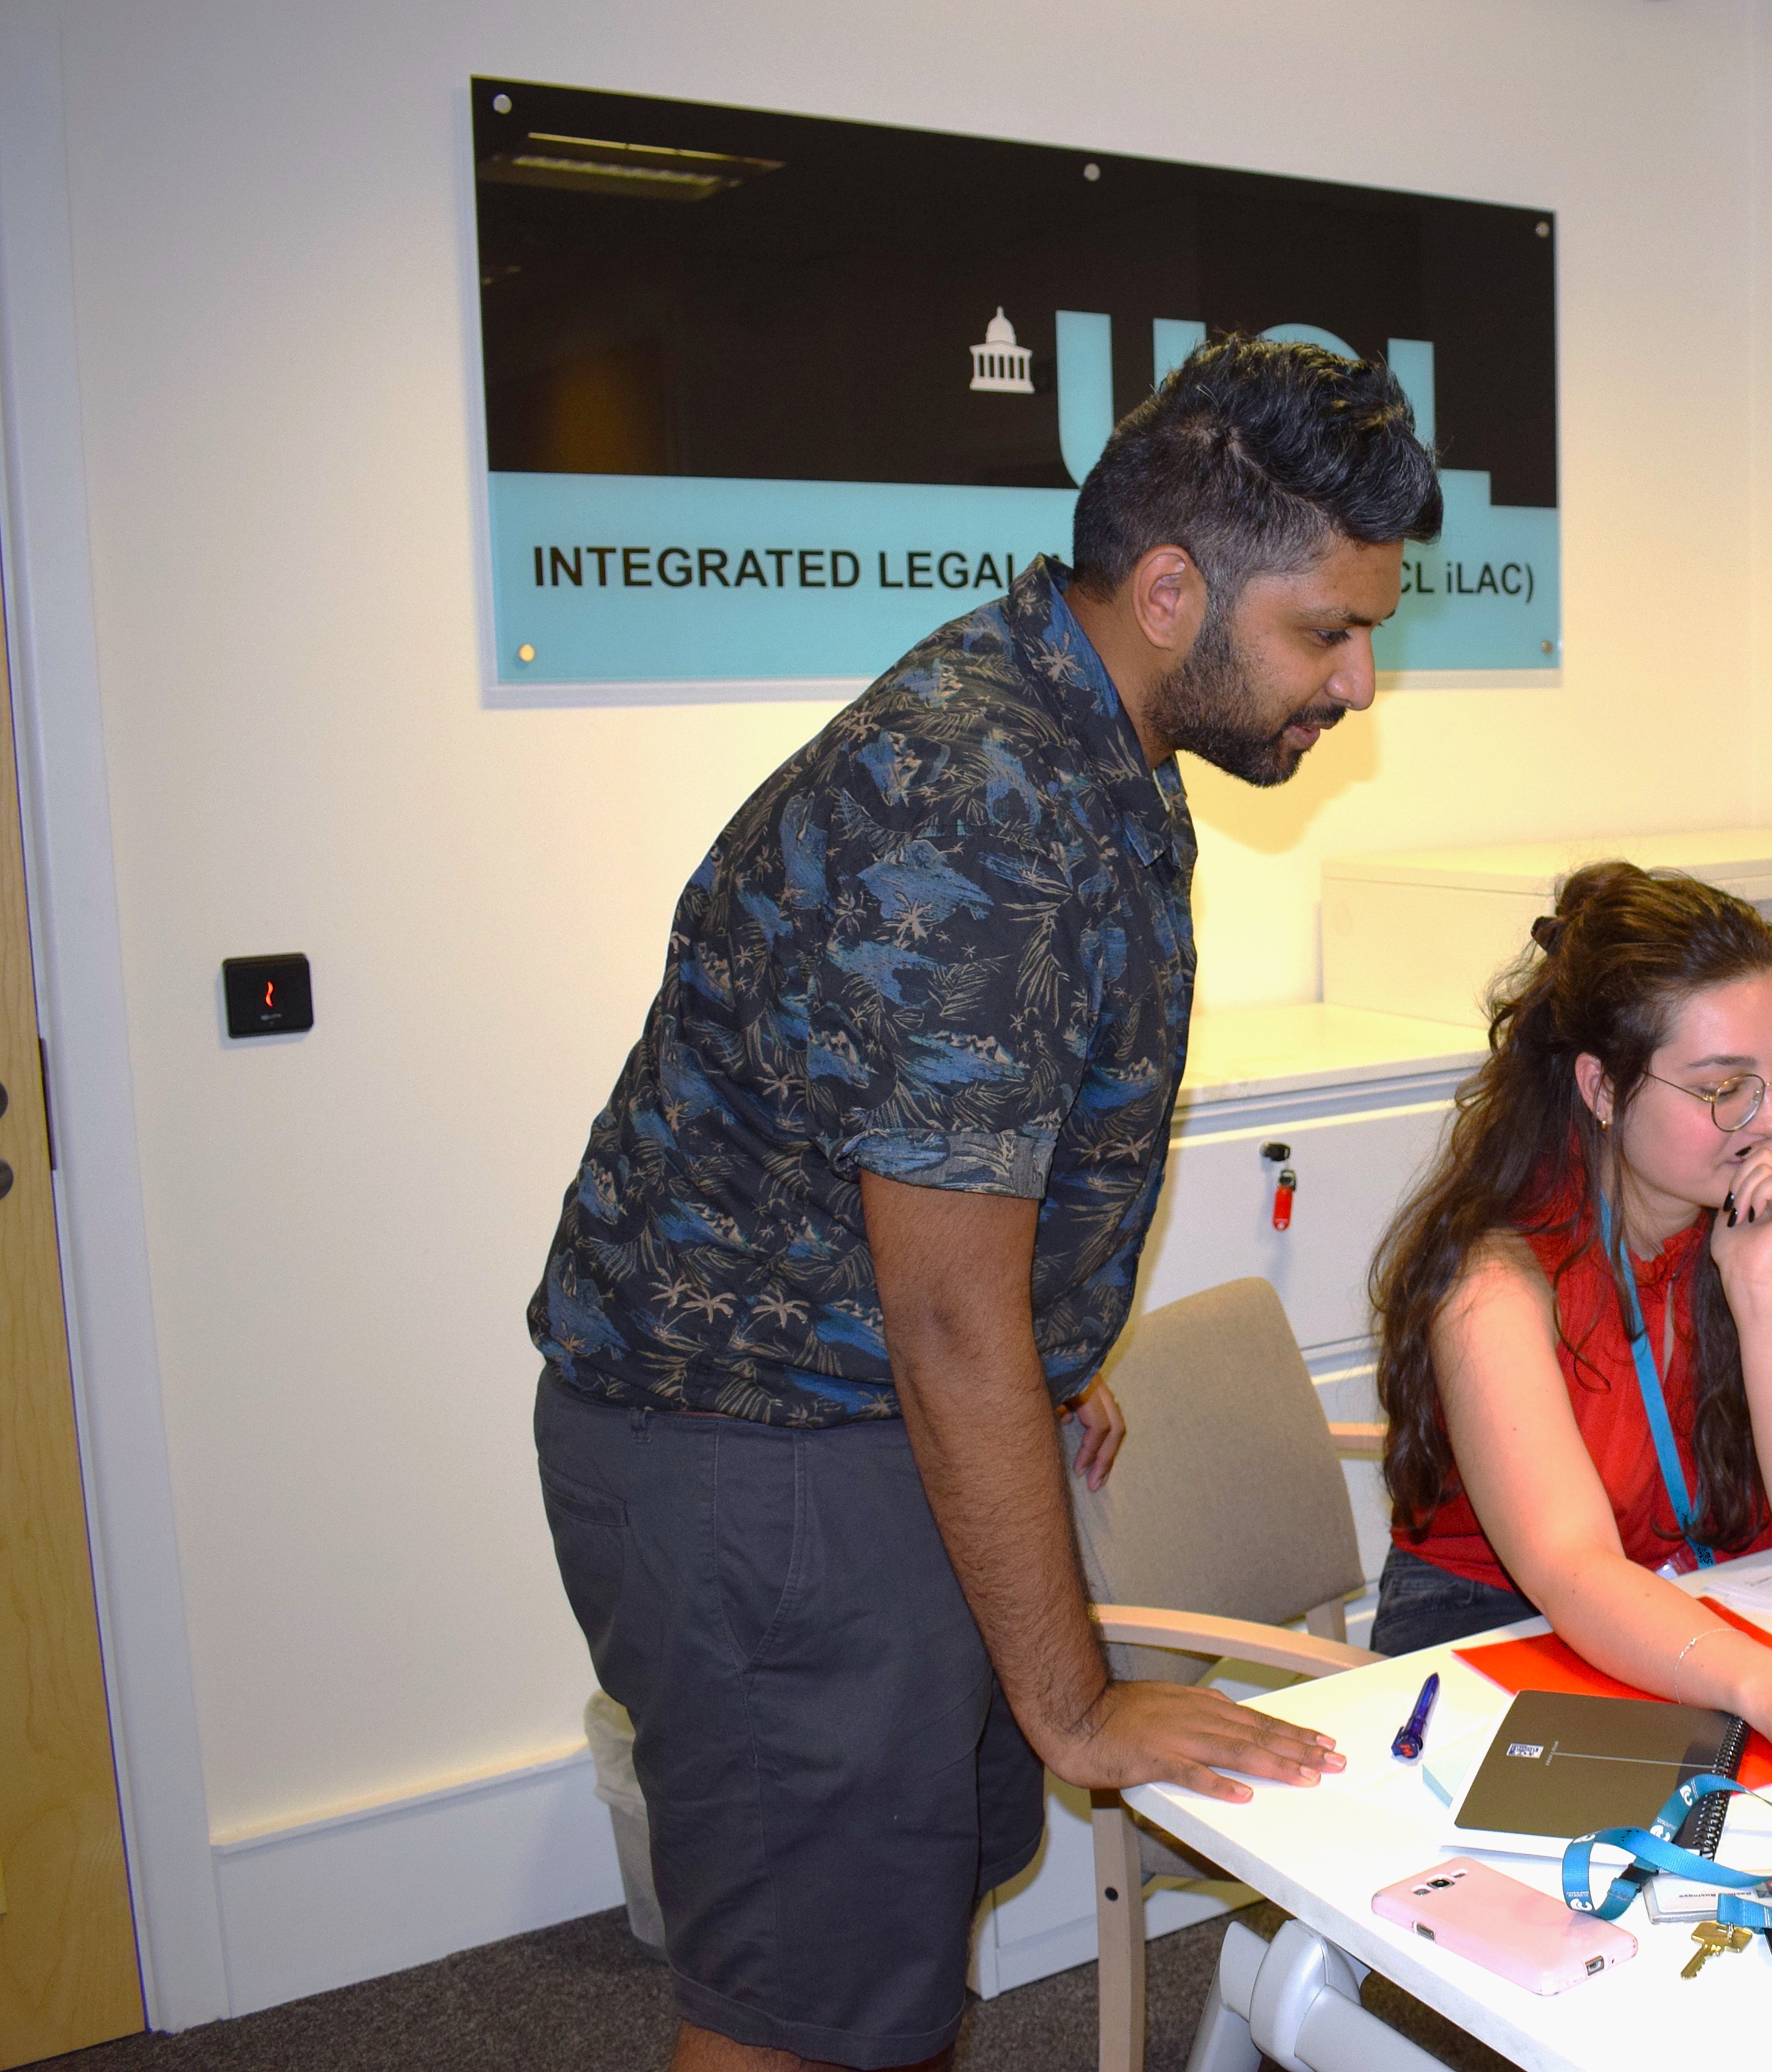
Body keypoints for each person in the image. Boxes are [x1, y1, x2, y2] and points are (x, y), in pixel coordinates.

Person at [527, 338, 1440, 2072]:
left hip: (855, 1409)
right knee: (804, 1999)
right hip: (765, 1450)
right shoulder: (977, 799)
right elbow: (945, 1310)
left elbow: (958, 1200)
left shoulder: (1082, 734)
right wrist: (1076, 1695)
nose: (1360, 679)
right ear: (1173, 591)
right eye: (1328, 628)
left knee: (883, 1949)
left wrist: (1035, 1357)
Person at [1366, 862, 1772, 1810]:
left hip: (1707, 1600)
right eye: (1724, 1087)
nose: (1771, 1121)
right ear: (1602, 1089)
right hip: (1498, 1630)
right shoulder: (1495, 1282)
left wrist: (1758, 1290)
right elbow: (1574, 1574)